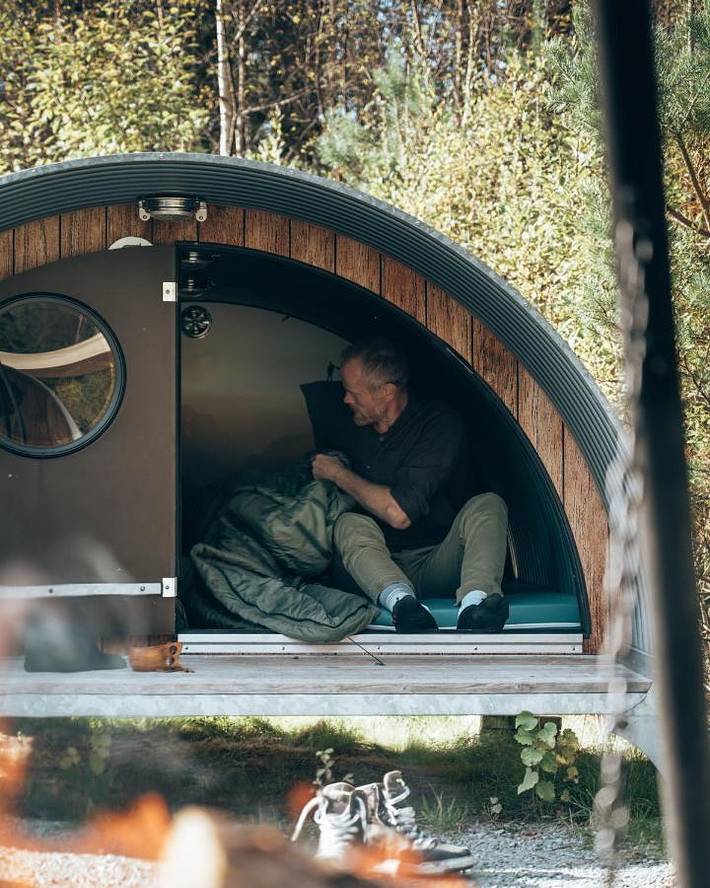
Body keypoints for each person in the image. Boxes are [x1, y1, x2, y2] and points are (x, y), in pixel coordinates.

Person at [311, 337, 509, 633]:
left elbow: (399, 513)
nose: (346, 399)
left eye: (353, 393)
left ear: (387, 392)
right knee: (348, 523)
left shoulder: (438, 425)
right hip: (371, 567)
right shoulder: (346, 425)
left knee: (489, 504)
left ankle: (475, 606)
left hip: (434, 559)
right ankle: (403, 605)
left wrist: (339, 475)